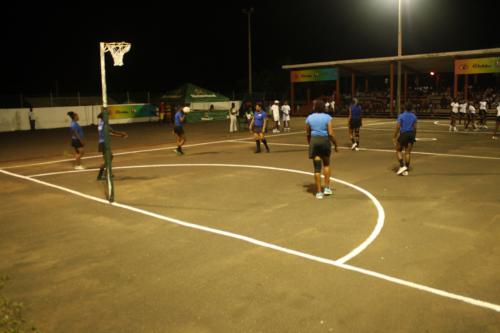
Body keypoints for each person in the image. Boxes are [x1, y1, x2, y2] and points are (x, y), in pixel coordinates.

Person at [305, 100, 339, 199]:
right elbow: (331, 134)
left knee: (317, 168)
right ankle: (327, 188)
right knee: (327, 164)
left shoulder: (309, 118)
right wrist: (336, 145)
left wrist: (310, 143)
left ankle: (319, 192)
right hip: (324, 141)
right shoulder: (327, 117)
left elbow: (307, 133)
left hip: (314, 141)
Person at [96, 112, 128, 181]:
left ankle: (106, 173)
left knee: (109, 158)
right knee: (108, 159)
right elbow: (112, 131)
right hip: (104, 144)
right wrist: (122, 133)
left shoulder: (100, 124)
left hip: (102, 143)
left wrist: (120, 136)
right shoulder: (105, 124)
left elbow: (109, 134)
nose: (108, 117)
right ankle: (101, 175)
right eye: (107, 116)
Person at [393, 103, 417, 176]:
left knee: (398, 150)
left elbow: (398, 127)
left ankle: (402, 165)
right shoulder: (414, 116)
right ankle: (406, 168)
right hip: (411, 134)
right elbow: (415, 128)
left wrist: (394, 136)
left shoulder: (401, 116)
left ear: (404, 108)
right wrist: (414, 136)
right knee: (407, 152)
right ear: (411, 108)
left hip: (404, 134)